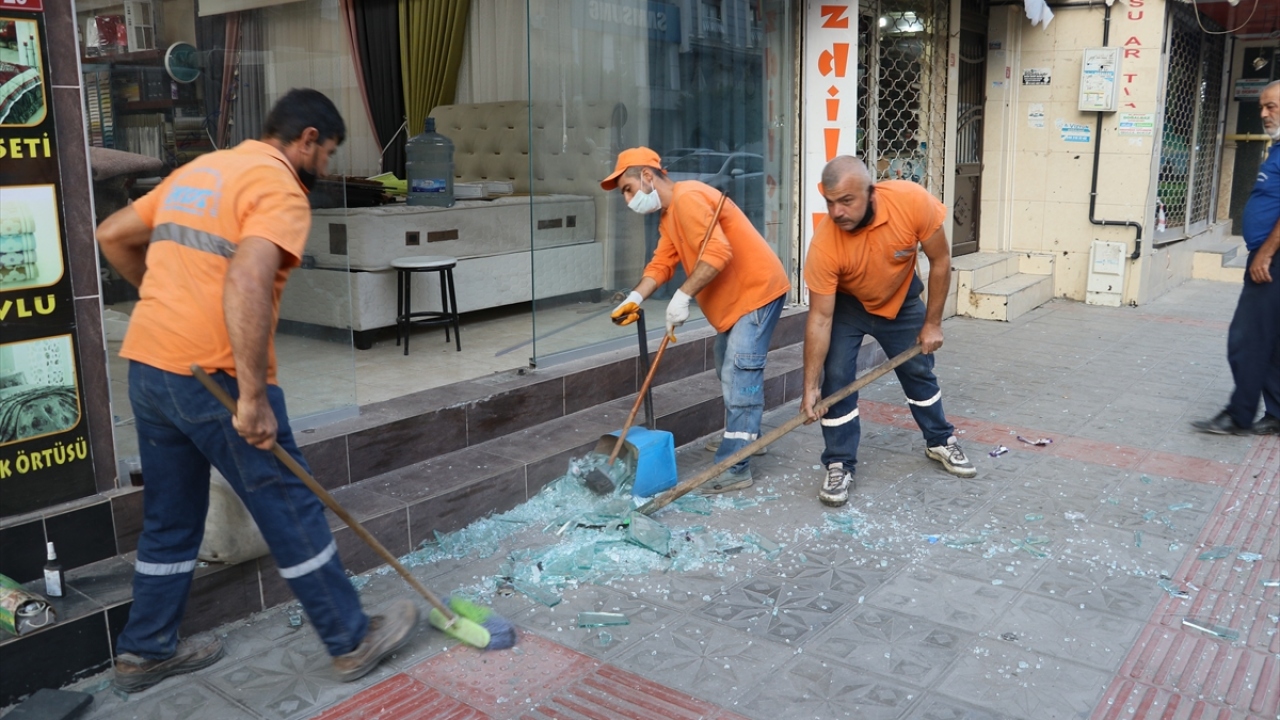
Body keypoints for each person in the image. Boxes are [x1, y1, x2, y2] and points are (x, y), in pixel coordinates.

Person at [96, 89, 416, 693]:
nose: (325, 169)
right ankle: (351, 638)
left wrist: (165, 305)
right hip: (215, 377)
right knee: (289, 507)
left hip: (149, 364)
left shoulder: (203, 169)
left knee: (170, 516)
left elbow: (112, 233)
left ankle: (144, 651)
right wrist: (250, 396)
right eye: (328, 154)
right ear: (308, 140)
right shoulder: (277, 187)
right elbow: (246, 275)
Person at [602, 147, 790, 493]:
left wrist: (682, 296)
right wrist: (635, 297)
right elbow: (661, 264)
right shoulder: (669, 214)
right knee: (726, 366)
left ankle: (735, 466)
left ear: (647, 176)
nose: (627, 199)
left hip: (756, 291)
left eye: (627, 188)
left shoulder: (688, 198)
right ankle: (750, 435)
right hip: (735, 301)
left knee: (739, 371)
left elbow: (718, 253)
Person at [801, 156, 975, 508]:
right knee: (836, 382)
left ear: (871, 192)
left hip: (902, 300)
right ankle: (839, 462)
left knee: (918, 373)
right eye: (830, 202)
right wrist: (810, 386)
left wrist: (933, 323)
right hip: (849, 306)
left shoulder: (911, 202)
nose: (836, 212)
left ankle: (939, 439)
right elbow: (820, 318)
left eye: (846, 201)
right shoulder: (824, 245)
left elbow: (941, 260)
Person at [1192, 80, 1280, 437]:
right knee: (1271, 339)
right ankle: (1276, 412)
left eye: (1271, 107)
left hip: (1271, 261)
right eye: (1262, 107)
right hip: (1269, 257)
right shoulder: (1277, 149)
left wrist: (1266, 253)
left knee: (1247, 337)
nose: (1263, 114)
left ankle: (1239, 414)